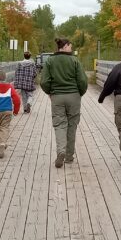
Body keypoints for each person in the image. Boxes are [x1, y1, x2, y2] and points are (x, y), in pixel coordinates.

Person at [41, 38, 88, 168]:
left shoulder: (50, 61)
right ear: (65, 46)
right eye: (70, 46)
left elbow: (44, 81)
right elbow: (83, 81)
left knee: (60, 125)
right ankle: (68, 156)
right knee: (72, 125)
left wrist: (50, 92)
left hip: (57, 96)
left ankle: (61, 150)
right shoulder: (74, 60)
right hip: (73, 95)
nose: (71, 49)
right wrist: (79, 93)